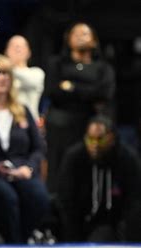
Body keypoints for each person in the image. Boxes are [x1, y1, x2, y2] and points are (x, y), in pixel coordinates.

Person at [0, 54, 50, 243]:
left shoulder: (22, 110)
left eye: (6, 74)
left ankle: (26, 238)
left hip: (22, 169)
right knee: (7, 197)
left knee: (39, 196)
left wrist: (29, 168)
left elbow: (38, 147)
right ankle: (13, 243)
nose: (1, 78)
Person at [44, 22, 116, 192]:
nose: (80, 37)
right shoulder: (56, 64)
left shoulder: (104, 68)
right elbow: (53, 91)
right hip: (60, 126)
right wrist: (89, 92)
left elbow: (104, 93)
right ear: (67, 40)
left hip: (89, 124)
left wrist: (72, 87)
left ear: (94, 40)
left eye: (85, 33)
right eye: (76, 34)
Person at [57, 116, 141, 242]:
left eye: (100, 139)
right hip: (80, 223)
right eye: (90, 139)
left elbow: (134, 200)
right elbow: (65, 199)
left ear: (111, 138)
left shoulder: (128, 159)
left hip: (115, 224)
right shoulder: (73, 158)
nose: (94, 145)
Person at [5, 35, 45, 124]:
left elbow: (30, 82)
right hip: (7, 121)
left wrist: (5, 65)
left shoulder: (37, 72)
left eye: (22, 46)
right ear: (6, 51)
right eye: (13, 45)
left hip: (30, 123)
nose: (17, 48)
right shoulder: (1, 75)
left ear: (29, 52)